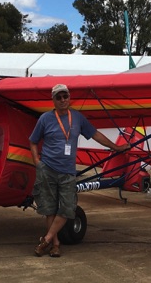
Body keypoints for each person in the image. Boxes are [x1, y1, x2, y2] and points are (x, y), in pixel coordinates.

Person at [29, 84, 129, 257]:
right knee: (50, 209)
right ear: (53, 100)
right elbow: (33, 141)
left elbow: (95, 134)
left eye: (65, 96)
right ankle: (55, 245)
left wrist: (116, 147)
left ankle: (45, 240)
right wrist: (37, 161)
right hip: (47, 169)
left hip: (68, 171)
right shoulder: (45, 118)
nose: (62, 100)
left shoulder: (77, 118)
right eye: (58, 97)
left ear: (69, 97)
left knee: (67, 209)